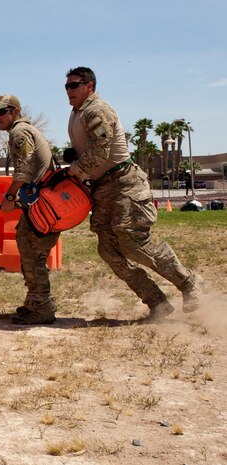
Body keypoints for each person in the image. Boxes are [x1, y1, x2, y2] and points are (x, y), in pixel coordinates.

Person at [63, 66, 203, 319]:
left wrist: (72, 171)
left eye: (74, 85)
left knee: (134, 243)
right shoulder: (78, 112)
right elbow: (91, 148)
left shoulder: (97, 110)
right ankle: (158, 303)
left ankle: (190, 282)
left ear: (90, 86)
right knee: (108, 250)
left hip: (124, 184)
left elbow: (102, 151)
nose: (69, 90)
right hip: (103, 187)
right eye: (67, 86)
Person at [0, 94, 60, 324]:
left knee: (31, 253)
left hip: (43, 205)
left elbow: (24, 170)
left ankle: (41, 307)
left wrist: (10, 196)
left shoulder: (20, 132)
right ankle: (36, 302)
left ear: (15, 112)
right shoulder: (23, 131)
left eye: (2, 112)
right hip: (42, 204)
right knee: (30, 250)